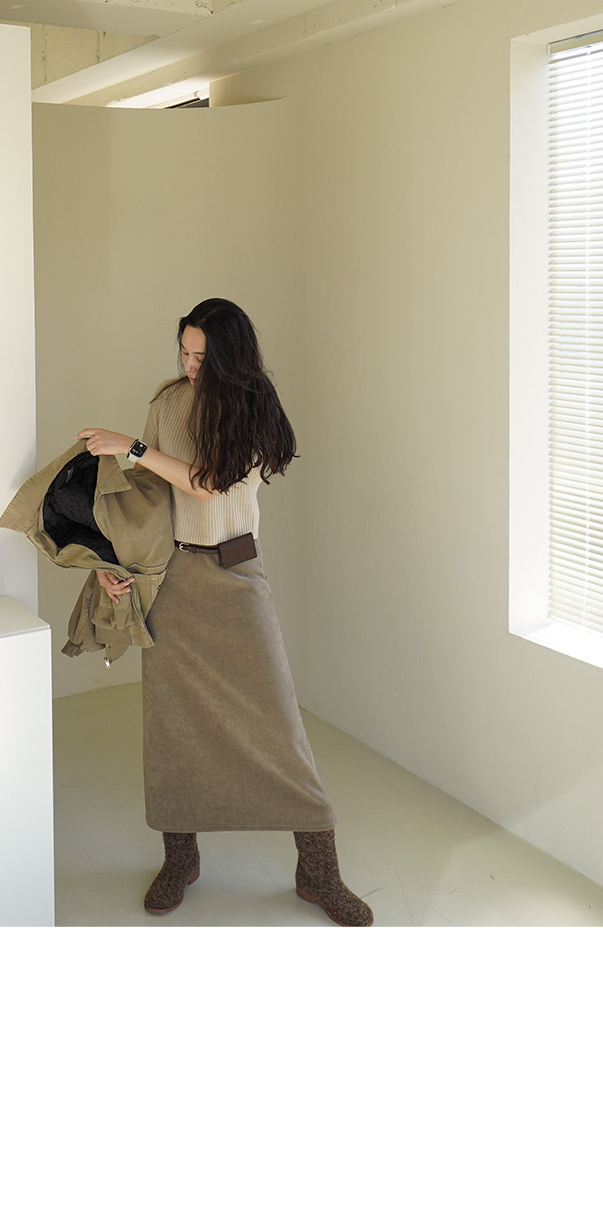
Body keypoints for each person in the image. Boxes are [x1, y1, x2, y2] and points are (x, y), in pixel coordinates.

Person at [85, 295, 373, 923]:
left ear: (230, 357)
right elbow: (148, 498)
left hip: (237, 570)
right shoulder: (167, 403)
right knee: (173, 725)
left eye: (202, 357)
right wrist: (116, 563)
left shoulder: (251, 404)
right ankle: (181, 857)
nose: (190, 367)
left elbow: (209, 482)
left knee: (278, 727)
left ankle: (318, 870)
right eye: (184, 353)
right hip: (172, 578)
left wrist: (132, 445)